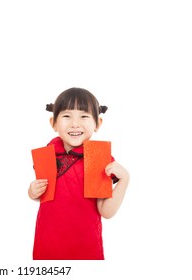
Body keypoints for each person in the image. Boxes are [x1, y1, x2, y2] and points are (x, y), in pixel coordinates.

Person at [28, 87, 129, 260]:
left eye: (84, 116)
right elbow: (45, 197)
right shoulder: (47, 153)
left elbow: (106, 211)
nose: (75, 124)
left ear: (98, 124)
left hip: (85, 246)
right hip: (47, 243)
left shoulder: (98, 158)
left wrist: (124, 179)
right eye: (67, 116)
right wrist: (32, 192)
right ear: (53, 123)